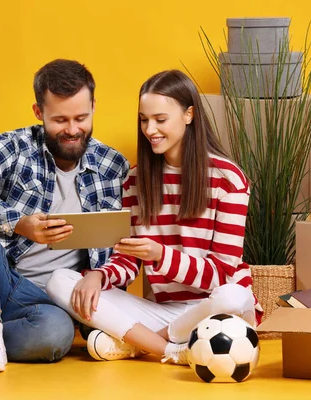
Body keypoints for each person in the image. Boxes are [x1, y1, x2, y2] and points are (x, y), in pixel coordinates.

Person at [46, 69, 263, 364]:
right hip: (162, 310)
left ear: (189, 115)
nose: (150, 130)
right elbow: (129, 258)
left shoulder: (228, 180)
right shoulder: (135, 180)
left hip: (213, 308)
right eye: (144, 120)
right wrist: (99, 275)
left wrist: (161, 255)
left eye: (160, 120)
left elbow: (222, 275)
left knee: (233, 295)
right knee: (60, 281)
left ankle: (139, 343)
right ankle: (171, 350)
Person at [0, 59, 129, 372]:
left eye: (81, 117)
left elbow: (121, 240)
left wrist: (99, 283)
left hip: (49, 301)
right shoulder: (15, 146)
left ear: (94, 106)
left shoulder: (112, 166)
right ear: (39, 113)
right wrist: (17, 223)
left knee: (56, 335)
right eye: (60, 120)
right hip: (0, 279)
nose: (72, 130)